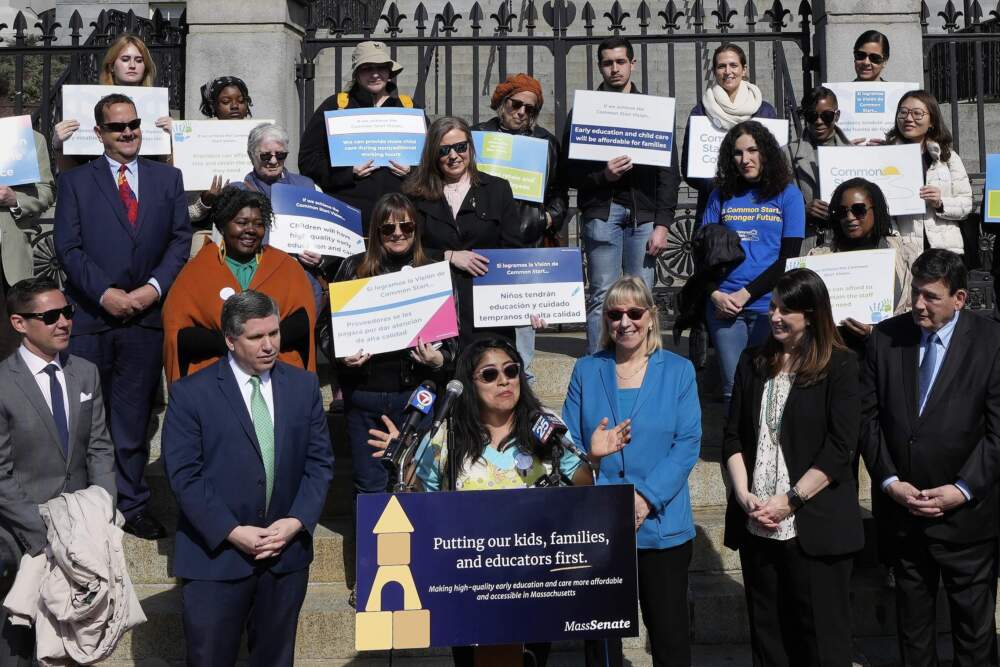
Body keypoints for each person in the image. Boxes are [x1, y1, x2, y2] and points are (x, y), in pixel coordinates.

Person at [369, 336, 621, 666]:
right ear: (470, 385)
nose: (503, 380)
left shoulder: (543, 424)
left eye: (511, 371)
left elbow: (580, 486)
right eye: (489, 374)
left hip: (535, 582)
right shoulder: (447, 434)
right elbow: (422, 501)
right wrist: (404, 458)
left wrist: (594, 459)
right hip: (469, 586)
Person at [162, 290, 334, 667]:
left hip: (284, 557)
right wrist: (231, 530)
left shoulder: (303, 387)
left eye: (274, 333)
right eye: (256, 337)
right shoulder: (192, 394)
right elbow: (183, 474)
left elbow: (319, 463)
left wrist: (294, 522)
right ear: (230, 339)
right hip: (216, 557)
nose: (270, 345)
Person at [53, 92, 192, 540]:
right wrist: (106, 293)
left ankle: (132, 506)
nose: (128, 132)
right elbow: (68, 248)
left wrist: (151, 290)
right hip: (93, 319)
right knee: (85, 419)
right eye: (117, 127)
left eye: (133, 124)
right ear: (100, 133)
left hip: (144, 321)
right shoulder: (77, 183)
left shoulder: (167, 179)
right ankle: (87, 505)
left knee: (132, 422)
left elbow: (178, 241)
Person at [861, 249, 1000, 667]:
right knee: (914, 634)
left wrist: (961, 489)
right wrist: (888, 481)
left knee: (974, 636)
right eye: (915, 293)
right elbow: (867, 421)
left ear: (959, 298)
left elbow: (997, 431)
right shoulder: (885, 338)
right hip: (904, 517)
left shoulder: (992, 342)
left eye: (931, 297)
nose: (918, 305)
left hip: (968, 520)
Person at [723, 268, 863, 667]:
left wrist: (791, 499)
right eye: (772, 307)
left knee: (819, 644)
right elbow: (733, 437)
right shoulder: (754, 361)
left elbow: (840, 447)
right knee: (769, 642)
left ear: (813, 314)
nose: (775, 317)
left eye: (787, 310)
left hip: (813, 527)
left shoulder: (840, 366)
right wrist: (742, 493)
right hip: (757, 526)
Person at [562, 275, 701, 667]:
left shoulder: (679, 371)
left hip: (662, 526)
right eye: (615, 314)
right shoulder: (587, 371)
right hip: (599, 525)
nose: (625, 322)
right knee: (601, 645)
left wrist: (644, 499)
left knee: (670, 639)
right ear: (605, 321)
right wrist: (593, 458)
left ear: (651, 317)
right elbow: (566, 445)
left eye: (634, 313)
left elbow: (688, 443)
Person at [0, 277, 117, 667]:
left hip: (80, 537)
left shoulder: (85, 373)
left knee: (76, 648)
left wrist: (100, 515)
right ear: (20, 323)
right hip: (22, 540)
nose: (64, 322)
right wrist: (42, 532)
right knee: (19, 650)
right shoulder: (2, 383)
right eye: (50, 316)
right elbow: (0, 474)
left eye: (67, 312)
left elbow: (99, 447)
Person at [331, 192, 455, 498]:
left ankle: (418, 547)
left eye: (406, 227)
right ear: (376, 232)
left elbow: (454, 338)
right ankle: (372, 548)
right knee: (370, 487)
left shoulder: (433, 270)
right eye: (388, 228)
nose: (398, 233)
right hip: (365, 397)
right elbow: (327, 329)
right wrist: (343, 356)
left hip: (416, 398)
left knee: (417, 483)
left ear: (416, 230)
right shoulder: (353, 268)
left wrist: (439, 359)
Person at [563, 37, 680, 354]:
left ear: (632, 63)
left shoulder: (653, 112)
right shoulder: (583, 113)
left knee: (641, 295)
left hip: (644, 217)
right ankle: (598, 364)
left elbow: (669, 173)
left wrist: (663, 224)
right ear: (599, 66)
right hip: (603, 213)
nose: (614, 68)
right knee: (602, 293)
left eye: (620, 61)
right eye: (607, 63)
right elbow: (568, 172)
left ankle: (641, 363)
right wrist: (604, 175)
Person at [162, 186, 317, 384]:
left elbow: (304, 322)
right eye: (241, 223)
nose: (250, 230)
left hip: (278, 376)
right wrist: (229, 343)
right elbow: (177, 331)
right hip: (216, 379)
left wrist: (259, 342)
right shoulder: (196, 271)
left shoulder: (286, 267)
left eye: (258, 224)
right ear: (222, 226)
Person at [472, 73, 568, 378]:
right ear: (502, 103)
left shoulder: (545, 142)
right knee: (484, 313)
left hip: (528, 239)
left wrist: (549, 218)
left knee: (523, 315)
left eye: (530, 109)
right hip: (484, 239)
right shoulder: (477, 136)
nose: (522, 113)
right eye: (516, 104)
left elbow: (558, 193)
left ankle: (522, 376)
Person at [703, 120, 805, 402]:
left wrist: (746, 293)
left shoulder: (788, 195)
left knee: (767, 386)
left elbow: (789, 259)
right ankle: (736, 448)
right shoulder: (720, 195)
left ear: (766, 152)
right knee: (732, 388)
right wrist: (715, 295)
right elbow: (702, 253)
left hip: (770, 308)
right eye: (737, 153)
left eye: (752, 150)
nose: (745, 159)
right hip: (725, 309)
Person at [403, 116, 523, 349]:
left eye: (460, 147)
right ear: (432, 155)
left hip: (488, 311)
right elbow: (406, 251)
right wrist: (448, 256)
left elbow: (514, 254)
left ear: (470, 146)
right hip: (436, 308)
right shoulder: (414, 196)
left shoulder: (498, 189)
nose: (454, 155)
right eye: (444, 150)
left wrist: (527, 307)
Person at [299, 41, 416, 227]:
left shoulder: (409, 107)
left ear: (390, 71)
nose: (375, 74)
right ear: (357, 73)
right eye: (367, 68)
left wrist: (412, 172)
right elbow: (308, 161)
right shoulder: (335, 106)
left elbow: (433, 160)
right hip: (347, 220)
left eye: (381, 67)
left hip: (400, 222)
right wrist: (347, 172)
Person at [682, 43, 778, 224]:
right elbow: (689, 168)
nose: (728, 71)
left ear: (744, 70)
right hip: (716, 206)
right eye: (721, 66)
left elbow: (775, 161)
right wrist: (723, 186)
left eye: (733, 65)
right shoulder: (700, 112)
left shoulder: (765, 112)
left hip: (758, 206)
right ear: (714, 71)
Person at [809, 178, 916, 332]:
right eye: (841, 212)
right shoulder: (818, 258)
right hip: (835, 349)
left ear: (876, 210)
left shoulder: (904, 254)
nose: (850, 217)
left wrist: (876, 334)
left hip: (889, 348)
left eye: (859, 210)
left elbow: (915, 310)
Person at [51, 34, 172, 170]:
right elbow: (72, 173)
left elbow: (168, 168)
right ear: (112, 66)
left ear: (145, 68)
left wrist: (175, 139)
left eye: (139, 60)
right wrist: (60, 145)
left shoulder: (158, 107)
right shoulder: (88, 104)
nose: (132, 65)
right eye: (125, 59)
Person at [885, 90, 972, 259]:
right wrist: (895, 240)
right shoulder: (886, 155)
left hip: (944, 251)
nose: (909, 119)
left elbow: (966, 204)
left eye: (917, 114)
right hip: (904, 250)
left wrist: (940, 203)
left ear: (931, 121)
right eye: (903, 112)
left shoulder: (948, 157)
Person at [0, 121, 55, 360]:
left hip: (9, 262)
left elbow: (46, 192)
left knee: (10, 345)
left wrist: (15, 199)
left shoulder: (30, 140)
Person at [187, 76, 256, 235]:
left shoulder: (261, 137)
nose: (234, 106)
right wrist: (205, 200)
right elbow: (188, 213)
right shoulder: (196, 141)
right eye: (226, 101)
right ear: (213, 106)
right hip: (210, 230)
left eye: (241, 100)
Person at [788, 86, 852, 250]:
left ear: (837, 116)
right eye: (811, 116)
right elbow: (775, 206)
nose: (819, 121)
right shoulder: (786, 154)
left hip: (846, 242)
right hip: (807, 243)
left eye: (827, 116)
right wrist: (802, 211)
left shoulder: (855, 154)